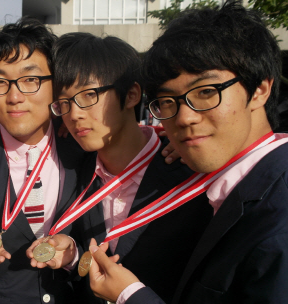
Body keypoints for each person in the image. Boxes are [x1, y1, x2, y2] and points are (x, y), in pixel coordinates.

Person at [88, 2, 288, 303]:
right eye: (168, 101)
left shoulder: (277, 225)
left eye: (206, 92)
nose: (184, 118)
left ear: (259, 89)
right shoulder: (226, 183)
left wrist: (130, 296)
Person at [44, 32, 212, 304]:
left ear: (132, 94)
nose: (74, 114)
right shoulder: (79, 170)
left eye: (88, 95)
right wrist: (74, 256)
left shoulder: (188, 173)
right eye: (65, 103)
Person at [0, 18, 85, 303]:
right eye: (0, 82)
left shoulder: (82, 147)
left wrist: (74, 253)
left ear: (55, 85)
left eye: (30, 80)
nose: (14, 96)